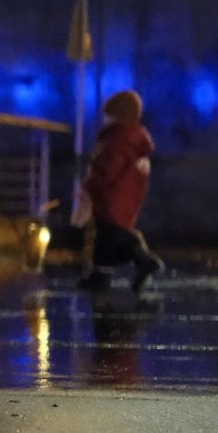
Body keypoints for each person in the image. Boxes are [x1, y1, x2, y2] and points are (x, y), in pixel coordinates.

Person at [78, 88, 165, 293]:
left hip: (112, 196)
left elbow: (109, 168)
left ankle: (143, 260)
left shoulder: (118, 139)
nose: (105, 120)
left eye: (108, 115)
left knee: (113, 234)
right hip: (125, 196)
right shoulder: (133, 140)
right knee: (107, 237)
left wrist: (92, 183)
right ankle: (103, 272)